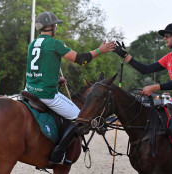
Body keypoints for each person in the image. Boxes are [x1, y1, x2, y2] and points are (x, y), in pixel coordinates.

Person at [25, 11, 115, 165]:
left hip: (29, 90)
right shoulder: (54, 43)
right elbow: (81, 59)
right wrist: (100, 50)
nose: (56, 28)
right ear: (51, 27)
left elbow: (38, 69)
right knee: (80, 118)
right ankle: (58, 153)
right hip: (46, 94)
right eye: (56, 25)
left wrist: (55, 78)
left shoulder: (32, 44)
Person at [114, 23, 172, 174]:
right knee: (154, 123)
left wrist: (153, 87)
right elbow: (145, 69)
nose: (165, 39)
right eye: (164, 36)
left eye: (168, 36)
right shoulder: (169, 57)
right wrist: (125, 56)